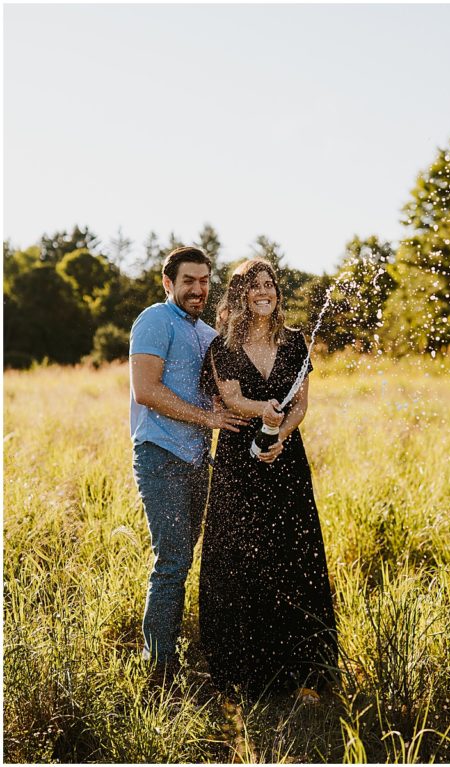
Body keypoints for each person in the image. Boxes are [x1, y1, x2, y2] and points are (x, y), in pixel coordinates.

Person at [198, 258, 338, 698]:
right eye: (253, 285)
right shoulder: (223, 346)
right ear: (239, 294)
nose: (264, 291)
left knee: (293, 554)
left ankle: (303, 673)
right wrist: (264, 414)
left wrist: (282, 431)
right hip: (240, 459)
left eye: (269, 284)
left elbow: (300, 404)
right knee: (240, 556)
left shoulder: (296, 342)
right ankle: (244, 673)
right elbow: (232, 397)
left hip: (286, 460)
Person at [129, 246, 248, 676]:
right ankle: (159, 669)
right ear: (168, 283)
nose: (198, 289)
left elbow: (218, 390)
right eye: (188, 281)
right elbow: (146, 389)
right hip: (161, 456)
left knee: (184, 559)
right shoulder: (155, 320)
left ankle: (174, 653)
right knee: (172, 562)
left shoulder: (206, 335)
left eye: (204, 281)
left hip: (199, 461)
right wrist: (208, 417)